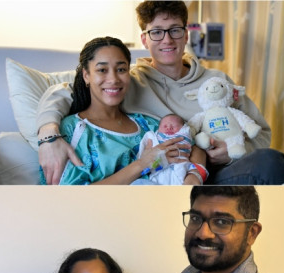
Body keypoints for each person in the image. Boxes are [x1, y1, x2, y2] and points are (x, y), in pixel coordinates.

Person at [36, 1, 284, 185]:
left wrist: (231, 153)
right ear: (144, 40)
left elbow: (262, 133)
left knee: (270, 161)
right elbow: (64, 92)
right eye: (157, 32)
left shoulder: (217, 82)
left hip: (221, 173)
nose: (167, 40)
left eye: (175, 30)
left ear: (186, 35)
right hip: (166, 177)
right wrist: (48, 135)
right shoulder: (129, 81)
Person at [46, 37, 194, 186]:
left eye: (121, 69)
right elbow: (67, 198)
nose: (113, 79)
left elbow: (191, 146)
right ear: (86, 75)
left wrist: (195, 176)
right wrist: (142, 164)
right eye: (102, 70)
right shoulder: (72, 130)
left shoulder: (147, 125)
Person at [137, 114, 203, 185]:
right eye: (165, 126)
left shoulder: (184, 134)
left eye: (173, 126)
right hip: (158, 168)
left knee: (180, 178)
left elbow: (195, 146)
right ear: (158, 128)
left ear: (183, 127)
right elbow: (143, 154)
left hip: (180, 165)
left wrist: (194, 174)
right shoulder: (153, 136)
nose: (169, 128)